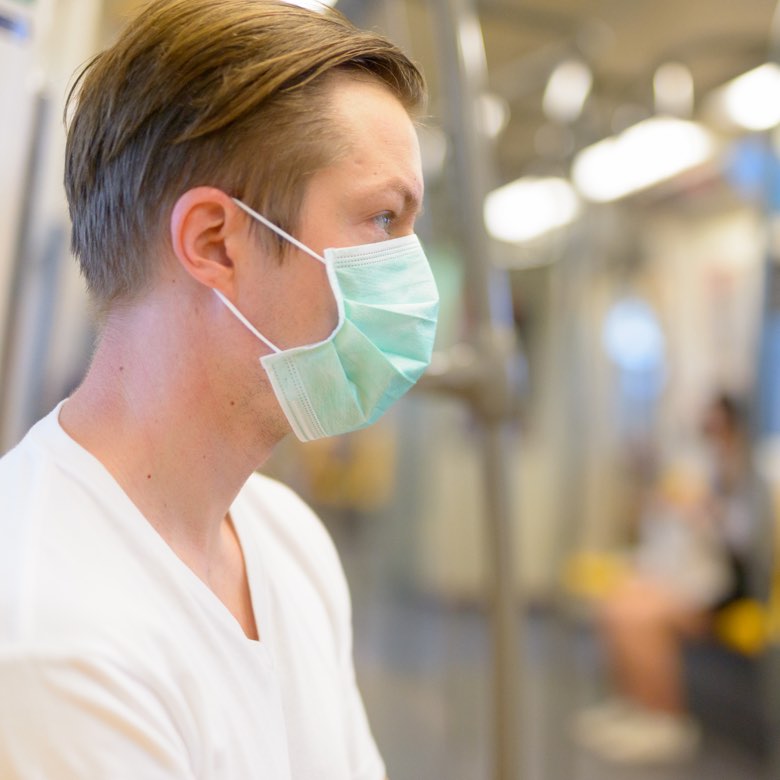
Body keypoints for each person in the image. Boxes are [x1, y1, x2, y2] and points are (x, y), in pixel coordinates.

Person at [0, 1, 439, 778]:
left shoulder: (287, 537)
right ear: (213, 242)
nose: (415, 277)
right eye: (381, 219)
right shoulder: (51, 638)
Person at [573, 394, 771, 764]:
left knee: (639, 617)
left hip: (731, 590)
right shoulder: (707, 468)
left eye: (716, 425)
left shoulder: (751, 476)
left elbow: (748, 546)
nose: (710, 432)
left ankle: (666, 718)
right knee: (616, 603)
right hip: (696, 578)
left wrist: (708, 512)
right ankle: (634, 704)